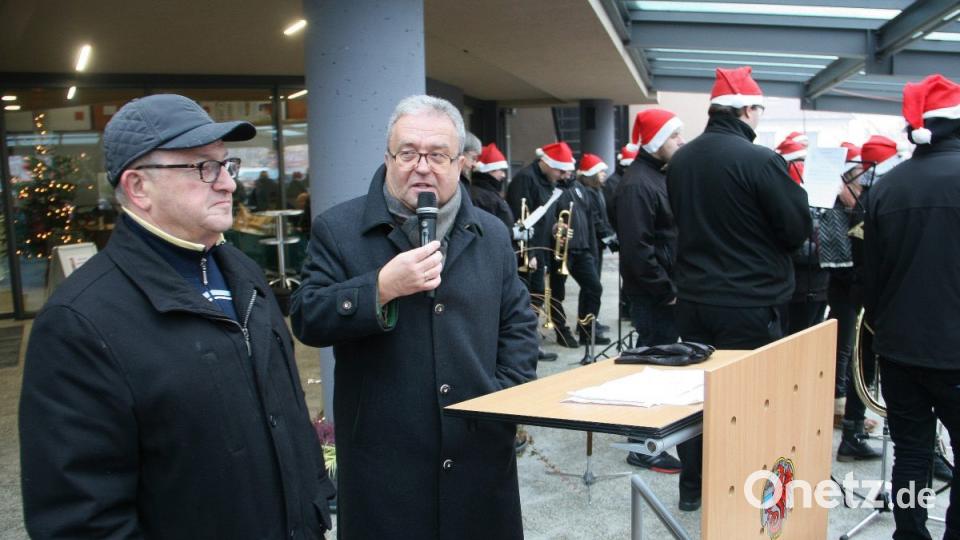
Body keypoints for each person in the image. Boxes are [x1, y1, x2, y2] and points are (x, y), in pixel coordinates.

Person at [18, 94, 335, 539]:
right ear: (138, 188)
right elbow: (80, 520)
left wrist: (315, 501)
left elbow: (287, 412)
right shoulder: (79, 321)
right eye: (202, 167)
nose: (228, 184)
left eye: (228, 165)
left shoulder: (243, 274)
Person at [290, 94, 539, 540]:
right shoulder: (338, 229)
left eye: (437, 154)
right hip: (385, 462)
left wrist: (500, 400)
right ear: (388, 157)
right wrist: (380, 288)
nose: (421, 166)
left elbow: (517, 321)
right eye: (408, 152)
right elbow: (308, 317)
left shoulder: (492, 232)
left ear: (460, 162)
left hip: (478, 447)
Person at [667, 66, 812, 511]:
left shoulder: (682, 160)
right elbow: (796, 229)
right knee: (750, 401)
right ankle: (744, 491)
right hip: (749, 302)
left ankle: (693, 488)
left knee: (697, 398)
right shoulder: (762, 160)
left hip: (693, 299)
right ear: (748, 109)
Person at [864, 73, 960, 540]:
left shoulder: (886, 186)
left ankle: (909, 533)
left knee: (911, 453)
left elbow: (870, 277)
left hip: (900, 346)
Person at [615, 108, 686, 475]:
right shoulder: (639, 183)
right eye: (674, 136)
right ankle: (641, 446)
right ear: (657, 140)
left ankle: (651, 435)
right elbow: (637, 250)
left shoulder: (655, 176)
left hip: (662, 290)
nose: (681, 141)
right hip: (654, 294)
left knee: (659, 367)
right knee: (650, 368)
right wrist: (666, 291)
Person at [547, 159, 610, 347]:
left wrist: (591, 247)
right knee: (558, 292)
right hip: (561, 250)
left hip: (582, 250)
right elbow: (548, 219)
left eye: (568, 170)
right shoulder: (552, 190)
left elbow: (589, 220)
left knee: (594, 287)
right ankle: (561, 330)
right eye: (562, 170)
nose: (566, 174)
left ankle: (587, 330)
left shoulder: (579, 188)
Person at [775, 133, 829, 335]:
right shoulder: (784, 195)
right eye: (801, 161)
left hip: (817, 284)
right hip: (796, 286)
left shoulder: (817, 192)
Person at [469, 142, 514, 230]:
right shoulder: (481, 195)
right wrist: (512, 233)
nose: (503, 175)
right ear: (489, 170)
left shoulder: (488, 193)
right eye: (500, 170)